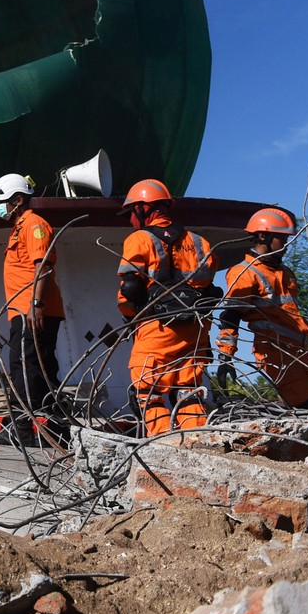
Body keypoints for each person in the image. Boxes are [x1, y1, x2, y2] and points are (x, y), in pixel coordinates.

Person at [117, 179, 217, 436]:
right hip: (195, 332)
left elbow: (130, 289)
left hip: (157, 329)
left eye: (131, 213)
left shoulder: (139, 239)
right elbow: (209, 290)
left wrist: (131, 318)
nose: (130, 220)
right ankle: (198, 444)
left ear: (143, 208)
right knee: (189, 392)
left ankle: (162, 445)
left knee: (149, 393)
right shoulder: (200, 242)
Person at [215, 207, 308, 409]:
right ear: (263, 236)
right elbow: (231, 315)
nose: (286, 244)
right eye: (281, 239)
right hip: (274, 353)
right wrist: (226, 356)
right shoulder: (245, 272)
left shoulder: (284, 272)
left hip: (298, 352)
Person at [0, 174, 63, 446]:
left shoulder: (34, 224)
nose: (0, 208)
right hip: (23, 311)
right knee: (29, 365)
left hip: (33, 310)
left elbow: (42, 265)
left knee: (31, 367)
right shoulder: (20, 227)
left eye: (4, 202)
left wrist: (36, 304)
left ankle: (23, 427)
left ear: (18, 200)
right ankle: (52, 428)